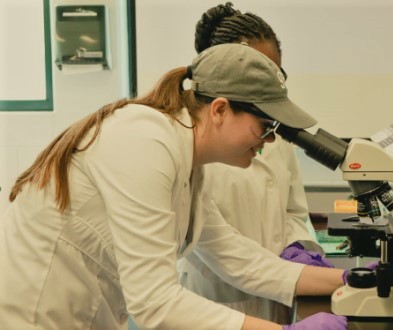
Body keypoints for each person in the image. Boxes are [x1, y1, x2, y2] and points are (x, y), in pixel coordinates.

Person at [0, 43, 347, 329]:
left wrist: (352, 280)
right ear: (220, 110)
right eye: (265, 126)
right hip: (37, 315)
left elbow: (236, 258)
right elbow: (155, 301)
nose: (270, 142)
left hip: (89, 312)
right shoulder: (144, 140)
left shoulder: (188, 160)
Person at [177, 2, 333, 323]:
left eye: (276, 73)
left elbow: (292, 211)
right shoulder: (191, 154)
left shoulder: (271, 133)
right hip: (215, 301)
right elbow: (230, 256)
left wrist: (298, 248)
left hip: (277, 295)